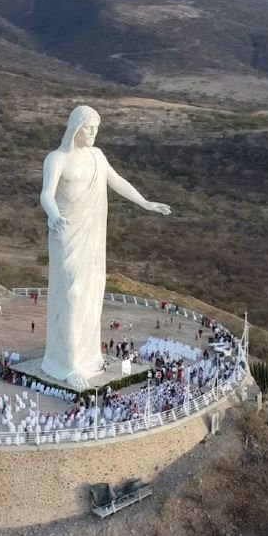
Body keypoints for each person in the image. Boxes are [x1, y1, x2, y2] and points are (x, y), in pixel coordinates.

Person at [38, 105, 171, 390]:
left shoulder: (97, 156)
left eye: (96, 129)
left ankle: (87, 358)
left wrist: (144, 202)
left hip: (92, 235)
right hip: (66, 232)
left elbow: (117, 181)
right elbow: (46, 194)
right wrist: (53, 214)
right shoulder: (57, 158)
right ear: (75, 128)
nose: (93, 133)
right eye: (89, 128)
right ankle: (68, 364)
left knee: (90, 294)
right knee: (72, 293)